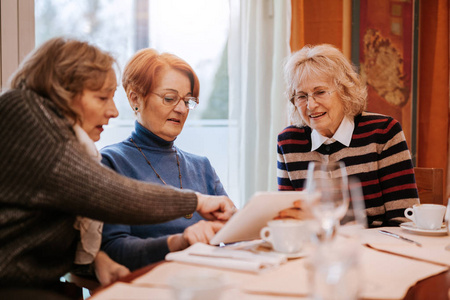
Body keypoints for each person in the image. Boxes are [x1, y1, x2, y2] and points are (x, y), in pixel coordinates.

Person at [0, 37, 234, 299]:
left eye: (187, 100)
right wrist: (195, 201)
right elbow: (107, 193)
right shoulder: (24, 112)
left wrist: (96, 261)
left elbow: (52, 230)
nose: (113, 111)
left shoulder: (69, 143)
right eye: (102, 97)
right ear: (63, 90)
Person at [100, 48, 228, 271]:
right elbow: (115, 249)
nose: (180, 109)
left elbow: (232, 235)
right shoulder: (111, 162)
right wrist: (180, 242)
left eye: (188, 101)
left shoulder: (202, 166)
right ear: (135, 99)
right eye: (169, 98)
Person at [277, 44, 419, 227]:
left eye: (320, 92)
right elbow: (289, 219)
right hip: (316, 248)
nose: (310, 105)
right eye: (302, 96)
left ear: (344, 91)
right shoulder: (288, 141)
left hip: (374, 248)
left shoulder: (383, 132)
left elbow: (404, 219)